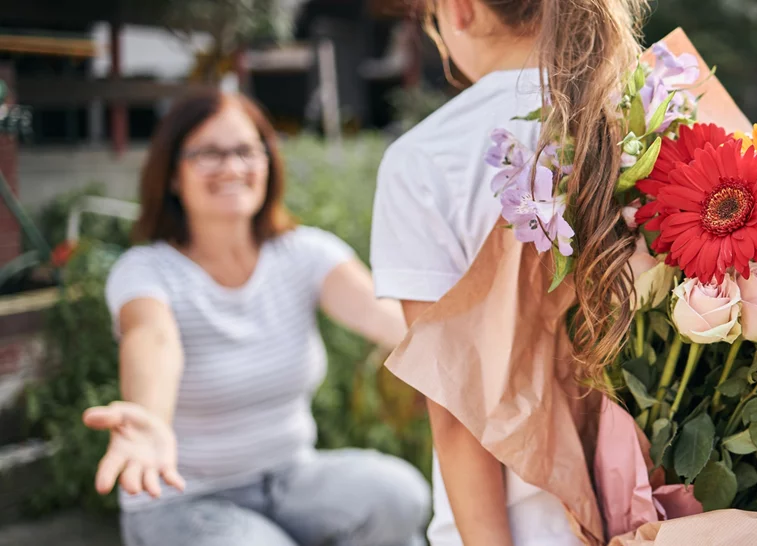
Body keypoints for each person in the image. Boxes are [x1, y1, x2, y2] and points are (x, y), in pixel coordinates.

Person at [82, 90, 430, 546]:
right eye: (208, 153)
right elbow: (153, 340)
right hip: (185, 500)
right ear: (171, 174)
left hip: (291, 479)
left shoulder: (305, 253)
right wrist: (148, 419)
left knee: (400, 496)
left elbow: (384, 314)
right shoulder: (146, 270)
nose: (231, 167)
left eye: (246, 150)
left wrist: (462, 350)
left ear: (267, 163)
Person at [370, 0, 647, 544]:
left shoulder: (425, 159)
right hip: (671, 514)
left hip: (525, 527)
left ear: (460, 10)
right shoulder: (652, 116)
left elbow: (455, 410)